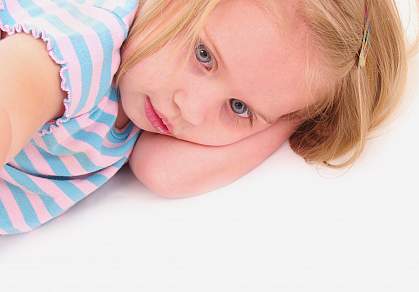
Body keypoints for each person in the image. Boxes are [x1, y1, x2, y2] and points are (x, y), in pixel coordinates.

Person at [0, 0, 417, 235]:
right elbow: (15, 91)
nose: (192, 110)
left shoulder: (150, 87)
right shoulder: (85, 40)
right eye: (204, 56)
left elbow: (164, 171)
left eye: (239, 108)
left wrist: (288, 113)